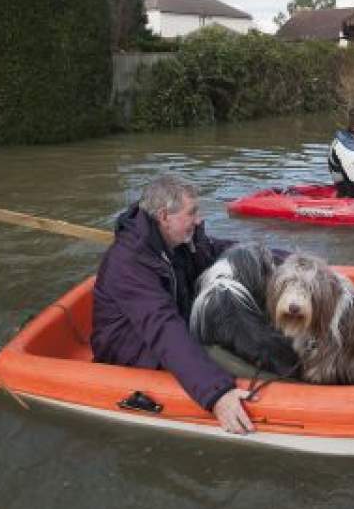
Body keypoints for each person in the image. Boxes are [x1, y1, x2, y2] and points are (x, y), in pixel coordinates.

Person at [91, 174, 255, 435]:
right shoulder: (129, 263)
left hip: (177, 327)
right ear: (164, 217)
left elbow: (216, 251)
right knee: (236, 362)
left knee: (248, 334)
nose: (199, 220)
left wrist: (268, 256)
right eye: (192, 213)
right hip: (134, 350)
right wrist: (217, 393)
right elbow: (162, 327)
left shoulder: (179, 242)